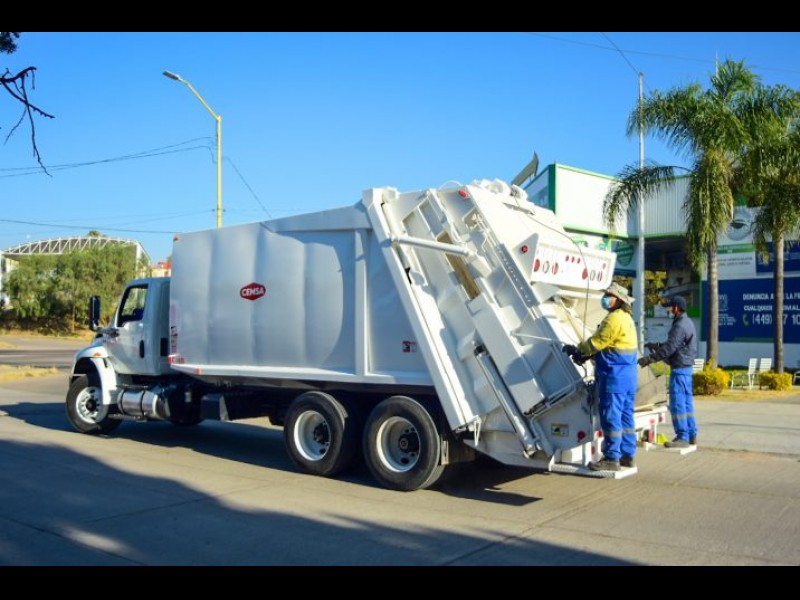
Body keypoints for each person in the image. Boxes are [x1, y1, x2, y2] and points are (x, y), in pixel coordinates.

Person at [563, 282, 639, 471]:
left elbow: (597, 343)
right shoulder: (627, 318)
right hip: (628, 377)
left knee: (611, 416)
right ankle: (627, 455)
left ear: (618, 300)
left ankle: (611, 458)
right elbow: (611, 347)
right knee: (626, 416)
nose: (605, 298)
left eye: (608, 295)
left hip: (614, 377)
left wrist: (579, 351)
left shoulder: (613, 319)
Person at [638, 295, 698, 448]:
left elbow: (671, 348)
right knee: (687, 404)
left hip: (679, 370)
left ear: (676, 308)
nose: (668, 310)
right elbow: (676, 344)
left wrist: (649, 359)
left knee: (678, 404)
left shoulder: (679, 326)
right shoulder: (687, 322)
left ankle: (682, 437)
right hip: (686, 370)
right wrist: (658, 346)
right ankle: (691, 434)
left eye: (670, 307)